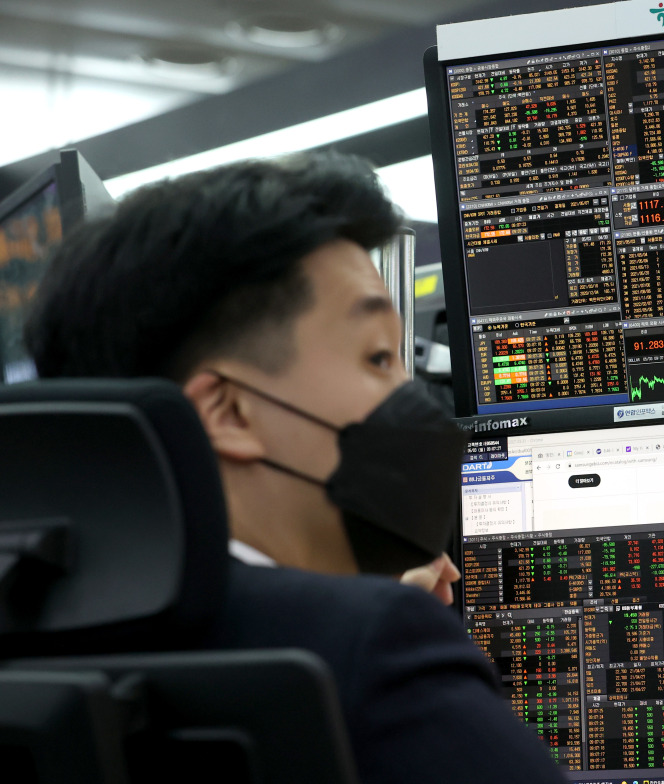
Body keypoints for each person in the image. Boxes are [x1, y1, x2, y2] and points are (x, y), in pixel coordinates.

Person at [23, 152, 567, 784]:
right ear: (229, 411)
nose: (409, 399)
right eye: (377, 358)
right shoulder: (376, 650)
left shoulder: (37, 637)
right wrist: (385, 643)